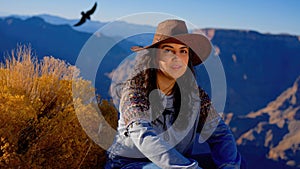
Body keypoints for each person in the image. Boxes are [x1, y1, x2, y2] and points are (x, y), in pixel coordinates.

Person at [105, 19, 242, 169]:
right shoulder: (135, 91)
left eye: (183, 51)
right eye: (168, 50)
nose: (176, 57)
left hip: (177, 165)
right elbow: (144, 136)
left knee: (236, 162)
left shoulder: (194, 95)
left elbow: (220, 134)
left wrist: (229, 166)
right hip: (129, 164)